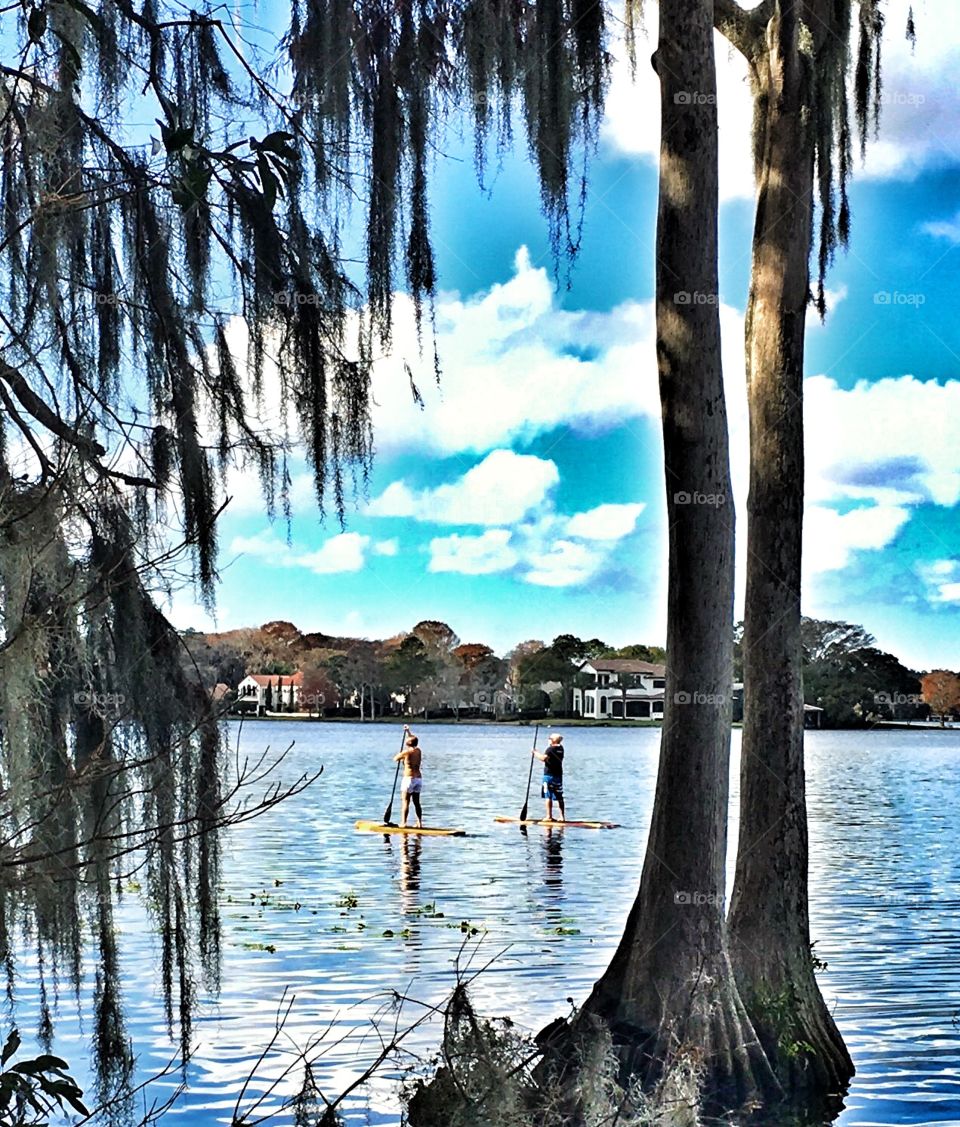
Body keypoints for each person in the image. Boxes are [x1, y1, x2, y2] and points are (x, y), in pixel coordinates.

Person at [394, 724, 423, 828]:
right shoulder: (418, 751)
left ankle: (403, 823)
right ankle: (419, 823)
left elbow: (395, 759)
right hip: (418, 779)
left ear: (407, 744)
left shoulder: (406, 752)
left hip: (409, 779)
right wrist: (408, 731)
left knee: (405, 801)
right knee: (416, 802)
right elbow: (413, 740)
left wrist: (401, 754)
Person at [534, 732, 565, 822]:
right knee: (559, 796)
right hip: (558, 775)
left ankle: (549, 816)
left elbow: (543, 758)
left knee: (548, 795)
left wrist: (535, 753)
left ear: (553, 740)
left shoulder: (550, 749)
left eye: (550, 738)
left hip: (548, 775)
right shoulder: (561, 748)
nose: (548, 740)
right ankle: (562, 817)